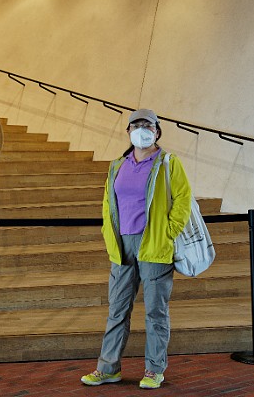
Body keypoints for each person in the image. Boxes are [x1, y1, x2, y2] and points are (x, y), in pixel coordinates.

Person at [80, 108, 193, 389]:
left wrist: (168, 233)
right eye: (136, 125)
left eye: (148, 126)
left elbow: (183, 199)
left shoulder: (168, 162)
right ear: (128, 131)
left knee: (156, 312)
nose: (142, 130)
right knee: (117, 311)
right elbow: (108, 203)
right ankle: (108, 369)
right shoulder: (118, 164)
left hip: (154, 244)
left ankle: (154, 369)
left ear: (157, 131)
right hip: (122, 247)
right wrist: (109, 234)